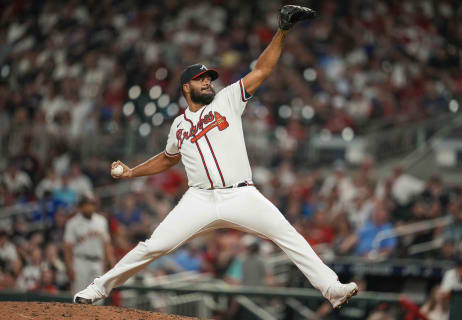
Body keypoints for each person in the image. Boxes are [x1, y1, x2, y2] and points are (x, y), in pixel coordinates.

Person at [74, 5, 358, 309]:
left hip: (241, 194)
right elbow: (169, 157)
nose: (208, 81)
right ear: (187, 87)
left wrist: (282, 31)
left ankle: (332, 288)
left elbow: (261, 70)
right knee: (153, 246)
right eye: (201, 79)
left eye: (209, 78)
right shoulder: (178, 125)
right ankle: (96, 289)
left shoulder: (227, 99)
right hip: (199, 200)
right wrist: (132, 173)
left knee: (285, 232)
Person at [64, 194, 115, 293]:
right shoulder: (72, 223)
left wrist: (111, 262)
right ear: (80, 206)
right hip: (80, 262)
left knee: (98, 295)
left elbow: (107, 244)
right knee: (80, 295)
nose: (90, 207)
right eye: (87, 204)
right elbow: (68, 247)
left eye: (92, 204)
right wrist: (69, 267)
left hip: (98, 262)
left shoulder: (101, 221)